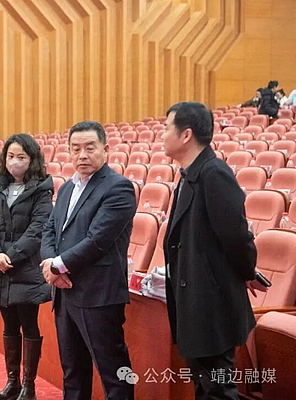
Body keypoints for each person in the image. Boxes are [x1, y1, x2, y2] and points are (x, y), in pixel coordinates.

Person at [162, 102, 268, 400]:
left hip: (211, 302)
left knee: (217, 389)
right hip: (196, 299)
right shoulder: (190, 174)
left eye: (167, 128)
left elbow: (236, 236)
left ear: (186, 135)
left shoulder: (214, 174)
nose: (162, 135)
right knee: (205, 386)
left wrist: (247, 271)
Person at [41, 120, 136, 400]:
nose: (82, 155)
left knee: (113, 373)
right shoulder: (66, 189)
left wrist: (57, 266)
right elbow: (50, 230)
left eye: (90, 148)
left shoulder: (118, 188)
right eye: (76, 149)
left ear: (105, 149)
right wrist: (50, 263)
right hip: (65, 293)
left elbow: (97, 241)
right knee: (72, 372)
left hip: (99, 295)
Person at [0, 133, 54, 400]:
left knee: (29, 325)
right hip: (0, 267)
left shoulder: (42, 189)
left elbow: (38, 229)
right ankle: (12, 382)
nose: (15, 162)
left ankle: (28, 386)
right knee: (9, 326)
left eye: (21, 157)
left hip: (27, 268)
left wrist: (10, 256)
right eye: (10, 156)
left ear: (32, 159)